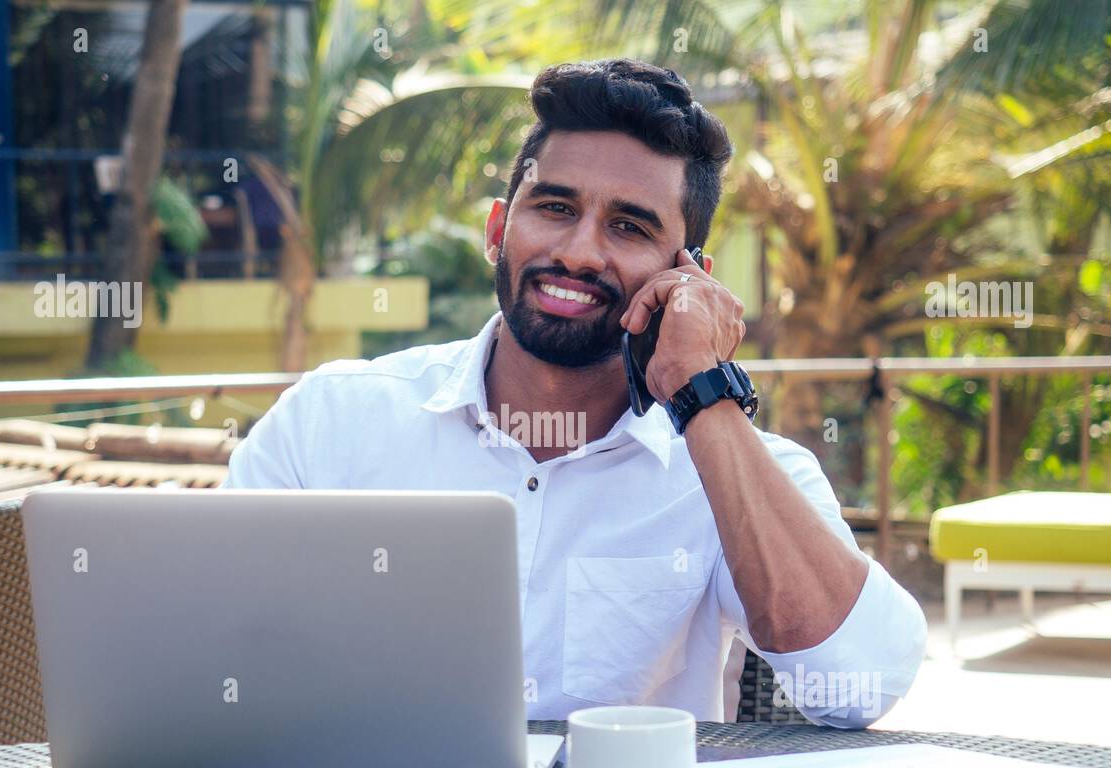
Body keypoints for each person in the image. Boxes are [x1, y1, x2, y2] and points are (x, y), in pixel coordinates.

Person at [222, 58, 926, 725]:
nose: (581, 253)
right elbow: (215, 643)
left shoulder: (739, 468)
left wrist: (703, 392)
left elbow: (858, 687)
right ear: (500, 230)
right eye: (555, 208)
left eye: (628, 226)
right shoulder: (332, 419)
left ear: (690, 276)